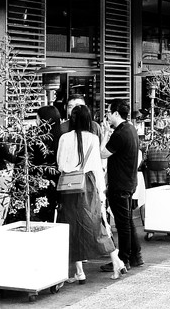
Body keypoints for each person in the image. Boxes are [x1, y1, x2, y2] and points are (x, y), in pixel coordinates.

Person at [57, 105, 124, 283]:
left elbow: (60, 165)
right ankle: (116, 261)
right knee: (97, 224)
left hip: (69, 187)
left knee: (71, 227)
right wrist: (102, 193)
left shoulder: (64, 138)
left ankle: (79, 271)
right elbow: (96, 167)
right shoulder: (93, 138)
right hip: (88, 185)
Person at [100, 100, 143, 273]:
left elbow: (102, 153)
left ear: (116, 113)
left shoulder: (119, 133)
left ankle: (124, 258)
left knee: (123, 223)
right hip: (129, 181)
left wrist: (104, 134)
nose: (107, 116)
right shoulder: (131, 128)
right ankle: (136, 255)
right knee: (128, 221)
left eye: (109, 112)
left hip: (120, 184)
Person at [33, 105, 62, 223]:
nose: (36, 121)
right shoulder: (62, 138)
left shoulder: (37, 140)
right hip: (55, 184)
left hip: (37, 184)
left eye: (38, 118)